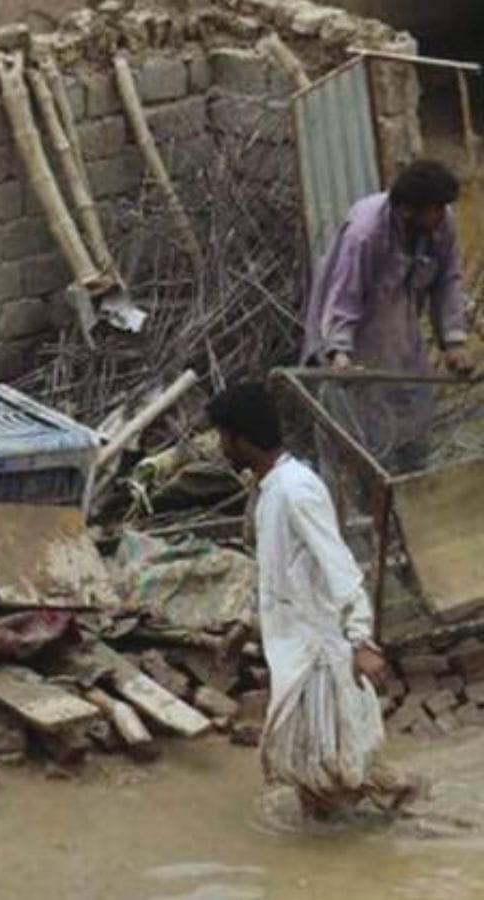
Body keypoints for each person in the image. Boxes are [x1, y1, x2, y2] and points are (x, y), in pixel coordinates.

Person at [207, 383, 424, 819]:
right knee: (323, 771)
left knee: (324, 774)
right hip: (295, 649)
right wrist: (245, 626)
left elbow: (338, 563)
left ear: (241, 438)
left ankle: (383, 831)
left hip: (319, 653)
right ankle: (387, 815)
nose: (220, 446)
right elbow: (276, 573)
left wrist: (362, 640)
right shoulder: (272, 490)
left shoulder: (295, 491)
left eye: (222, 436)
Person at [303, 160, 478, 462]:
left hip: (402, 339)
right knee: (364, 446)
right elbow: (344, 293)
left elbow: (447, 279)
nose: (442, 216)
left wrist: (453, 342)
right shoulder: (365, 233)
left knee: (414, 431)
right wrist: (339, 354)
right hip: (358, 344)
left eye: (443, 207)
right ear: (408, 210)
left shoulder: (440, 224)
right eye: (434, 209)